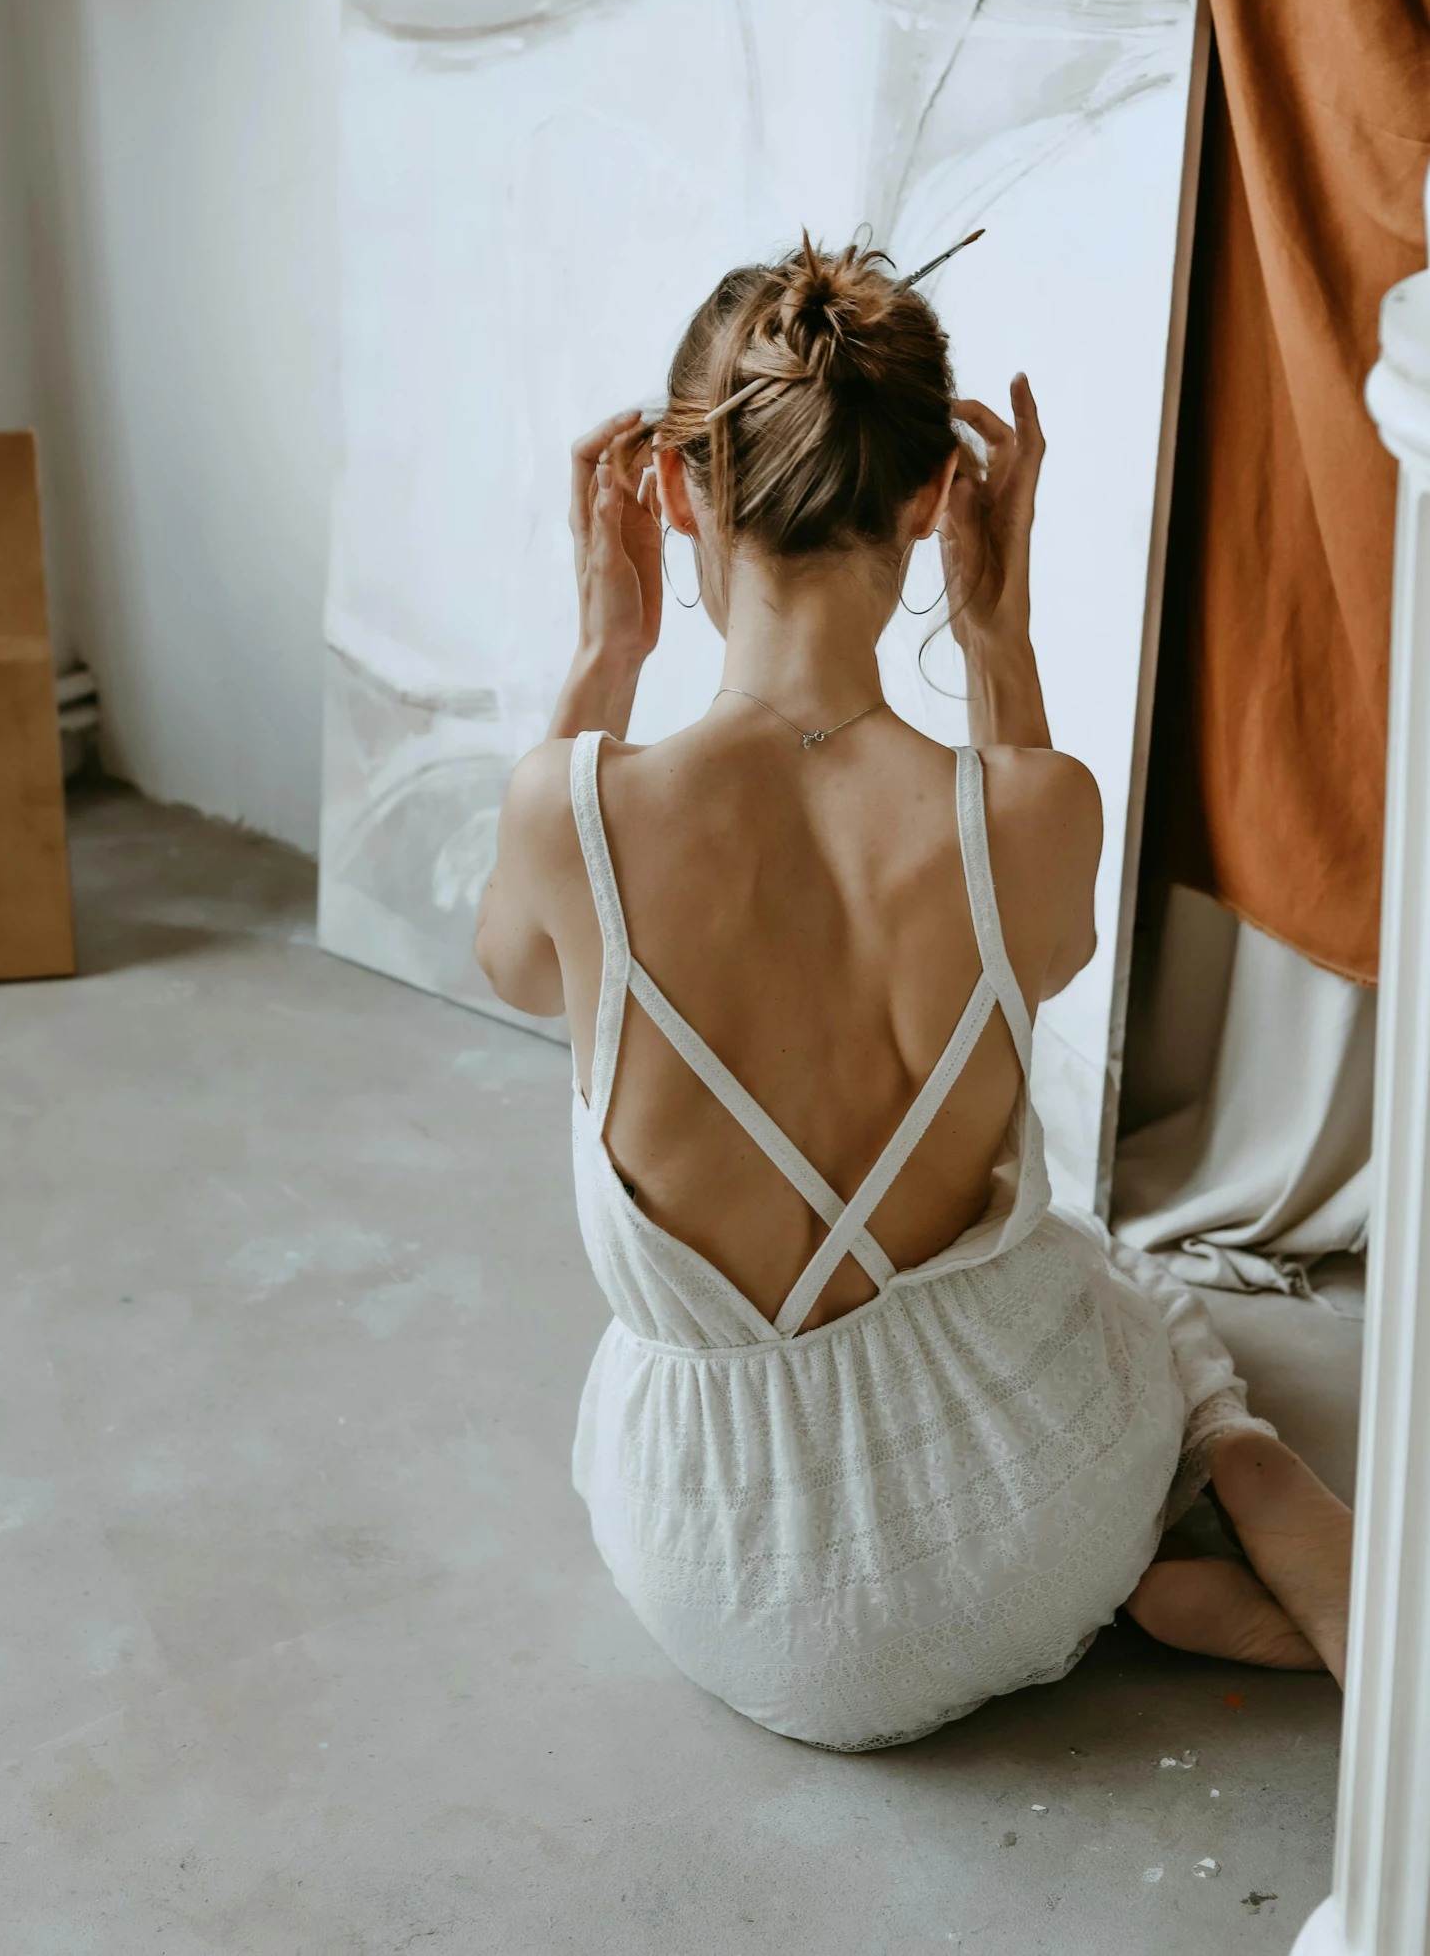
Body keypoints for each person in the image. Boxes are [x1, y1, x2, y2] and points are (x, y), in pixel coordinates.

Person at [474, 236, 1355, 1749]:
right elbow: (1055, 944)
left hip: (723, 1574)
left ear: (677, 492)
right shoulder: (1029, 816)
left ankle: (1170, 1526)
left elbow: (511, 968)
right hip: (1030, 1526)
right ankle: (1229, 1477)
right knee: (1123, 1283)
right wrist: (1000, 637)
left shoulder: (572, 820)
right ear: (936, 497)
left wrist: (603, 650)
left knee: (1070, 1263)